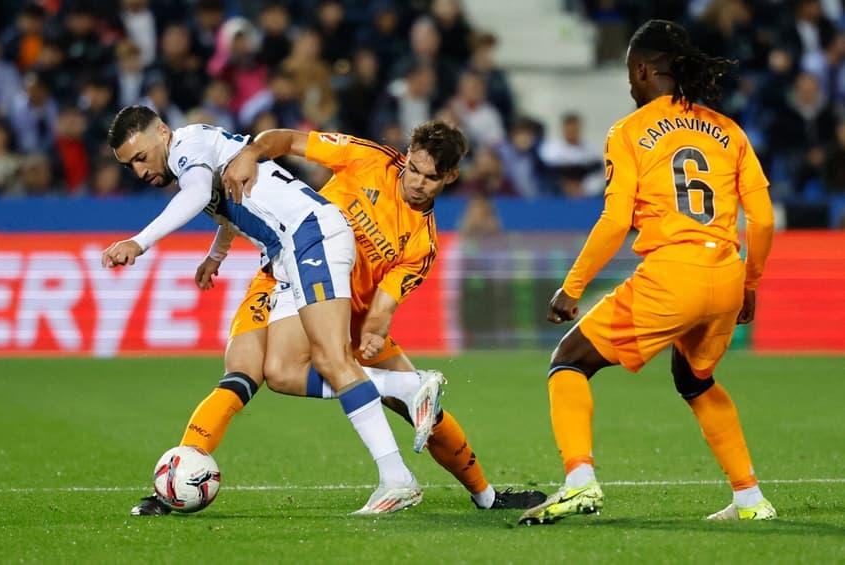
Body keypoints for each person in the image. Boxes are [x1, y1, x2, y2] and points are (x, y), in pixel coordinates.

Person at [102, 105, 424, 515]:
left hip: (310, 236)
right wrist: (216, 255)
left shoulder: (186, 147)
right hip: (287, 252)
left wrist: (139, 242)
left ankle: (397, 475)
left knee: (330, 358)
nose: (140, 171)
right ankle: (403, 389)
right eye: (129, 165)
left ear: (162, 132)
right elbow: (229, 204)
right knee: (281, 371)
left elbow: (200, 193)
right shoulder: (199, 149)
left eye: (141, 157)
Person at [519, 20, 776, 525]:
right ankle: (750, 498)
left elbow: (615, 219)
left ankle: (579, 481)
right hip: (725, 271)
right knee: (695, 378)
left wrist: (571, 288)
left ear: (643, 70)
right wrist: (750, 284)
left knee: (568, 361)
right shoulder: (729, 130)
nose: (629, 86)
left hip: (673, 274)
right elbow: (763, 219)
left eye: (629, 75)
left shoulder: (629, 131)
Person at [216, 121, 546, 512]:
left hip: (352, 319)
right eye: (414, 170)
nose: (418, 183)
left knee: (423, 411)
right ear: (406, 156)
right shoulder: (367, 157)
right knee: (283, 372)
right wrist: (252, 153)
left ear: (450, 177)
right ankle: (404, 391)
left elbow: (383, 308)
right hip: (313, 295)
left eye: (431, 178)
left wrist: (373, 333)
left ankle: (485, 496)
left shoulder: (422, 244)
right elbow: (287, 140)